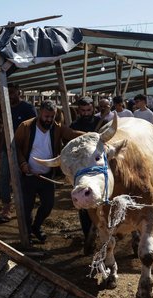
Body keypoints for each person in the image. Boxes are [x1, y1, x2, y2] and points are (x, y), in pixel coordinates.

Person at [14, 100, 82, 243]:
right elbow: (16, 147)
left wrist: (92, 135)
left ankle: (36, 226)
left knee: (48, 205)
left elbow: (72, 134)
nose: (49, 120)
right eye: (46, 116)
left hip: (46, 175)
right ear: (40, 113)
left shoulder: (57, 128)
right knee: (27, 207)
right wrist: (22, 163)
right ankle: (27, 235)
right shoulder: (26, 127)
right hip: (30, 175)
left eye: (52, 116)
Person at [0, 83, 37, 223]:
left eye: (12, 93)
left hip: (24, 150)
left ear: (19, 92)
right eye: (7, 94)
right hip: (7, 149)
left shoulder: (28, 108)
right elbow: (1, 129)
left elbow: (35, 129)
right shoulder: (3, 109)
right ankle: (6, 209)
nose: (10, 96)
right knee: (4, 178)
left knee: (25, 178)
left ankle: (25, 208)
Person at [70, 96, 102, 254]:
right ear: (78, 110)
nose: (85, 113)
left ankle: (102, 233)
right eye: (82, 110)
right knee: (83, 205)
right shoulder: (74, 125)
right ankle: (87, 234)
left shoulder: (100, 123)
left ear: (93, 109)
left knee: (101, 202)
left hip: (98, 169)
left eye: (88, 110)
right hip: (82, 170)